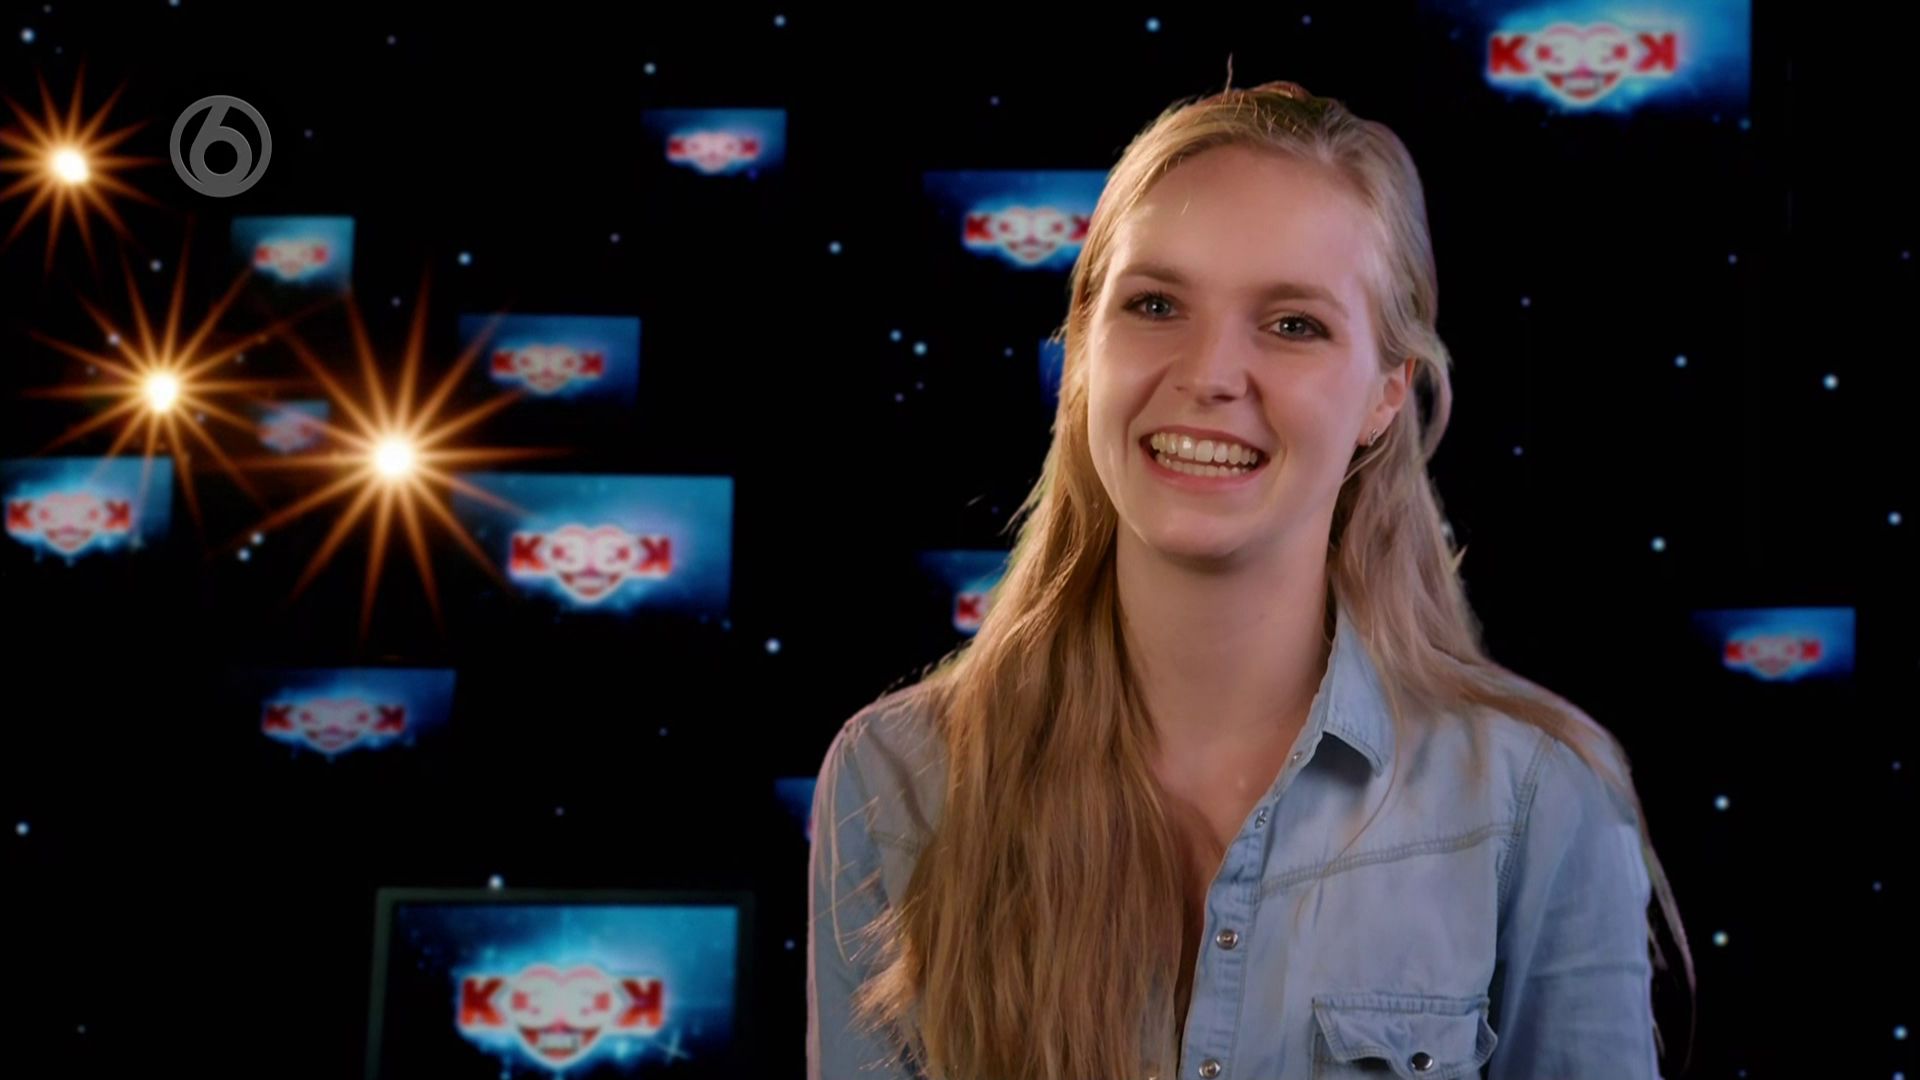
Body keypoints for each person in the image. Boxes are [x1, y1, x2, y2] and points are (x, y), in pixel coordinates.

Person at [808, 79, 1693, 1080]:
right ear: (1084, 350)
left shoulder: (1539, 800)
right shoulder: (897, 780)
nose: (1209, 374)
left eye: (1293, 324)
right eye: (1155, 305)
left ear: (1385, 395)